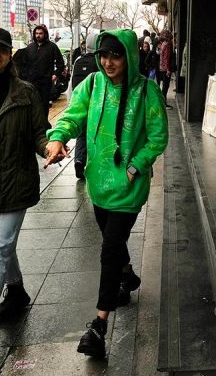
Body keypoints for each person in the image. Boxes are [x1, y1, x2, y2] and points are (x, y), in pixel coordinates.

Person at [44, 29, 168, 358]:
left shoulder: (146, 91)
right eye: (103, 55)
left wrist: (134, 167)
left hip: (129, 187)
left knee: (110, 248)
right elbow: (72, 116)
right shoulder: (92, 85)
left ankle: (98, 326)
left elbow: (158, 137)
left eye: (115, 55)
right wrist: (58, 138)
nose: (108, 62)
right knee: (113, 243)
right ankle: (127, 276)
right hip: (98, 185)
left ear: (128, 56)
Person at [0, 27, 50, 323]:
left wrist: (49, 148)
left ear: (9, 54)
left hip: (14, 174)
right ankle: (15, 291)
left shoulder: (25, 92)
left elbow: (39, 134)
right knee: (0, 243)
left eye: (1, 49)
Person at [69, 33, 100, 180]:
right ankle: (94, 163)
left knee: (81, 134)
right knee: (95, 134)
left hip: (80, 102)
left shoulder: (78, 60)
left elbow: (72, 83)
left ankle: (79, 160)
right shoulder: (99, 61)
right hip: (96, 104)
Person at [22, 24, 65, 121]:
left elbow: (60, 63)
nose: (38, 35)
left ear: (45, 34)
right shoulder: (30, 47)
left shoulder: (52, 47)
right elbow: (24, 64)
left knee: (44, 106)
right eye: (36, 33)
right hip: (31, 83)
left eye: (40, 33)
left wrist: (55, 74)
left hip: (45, 83)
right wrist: (25, 78)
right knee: (31, 106)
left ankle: (44, 125)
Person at [157, 30, 174, 108]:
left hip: (162, 68)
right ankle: (163, 103)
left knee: (164, 86)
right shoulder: (168, 45)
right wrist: (168, 69)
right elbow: (166, 58)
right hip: (165, 68)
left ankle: (162, 102)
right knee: (165, 86)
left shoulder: (163, 44)